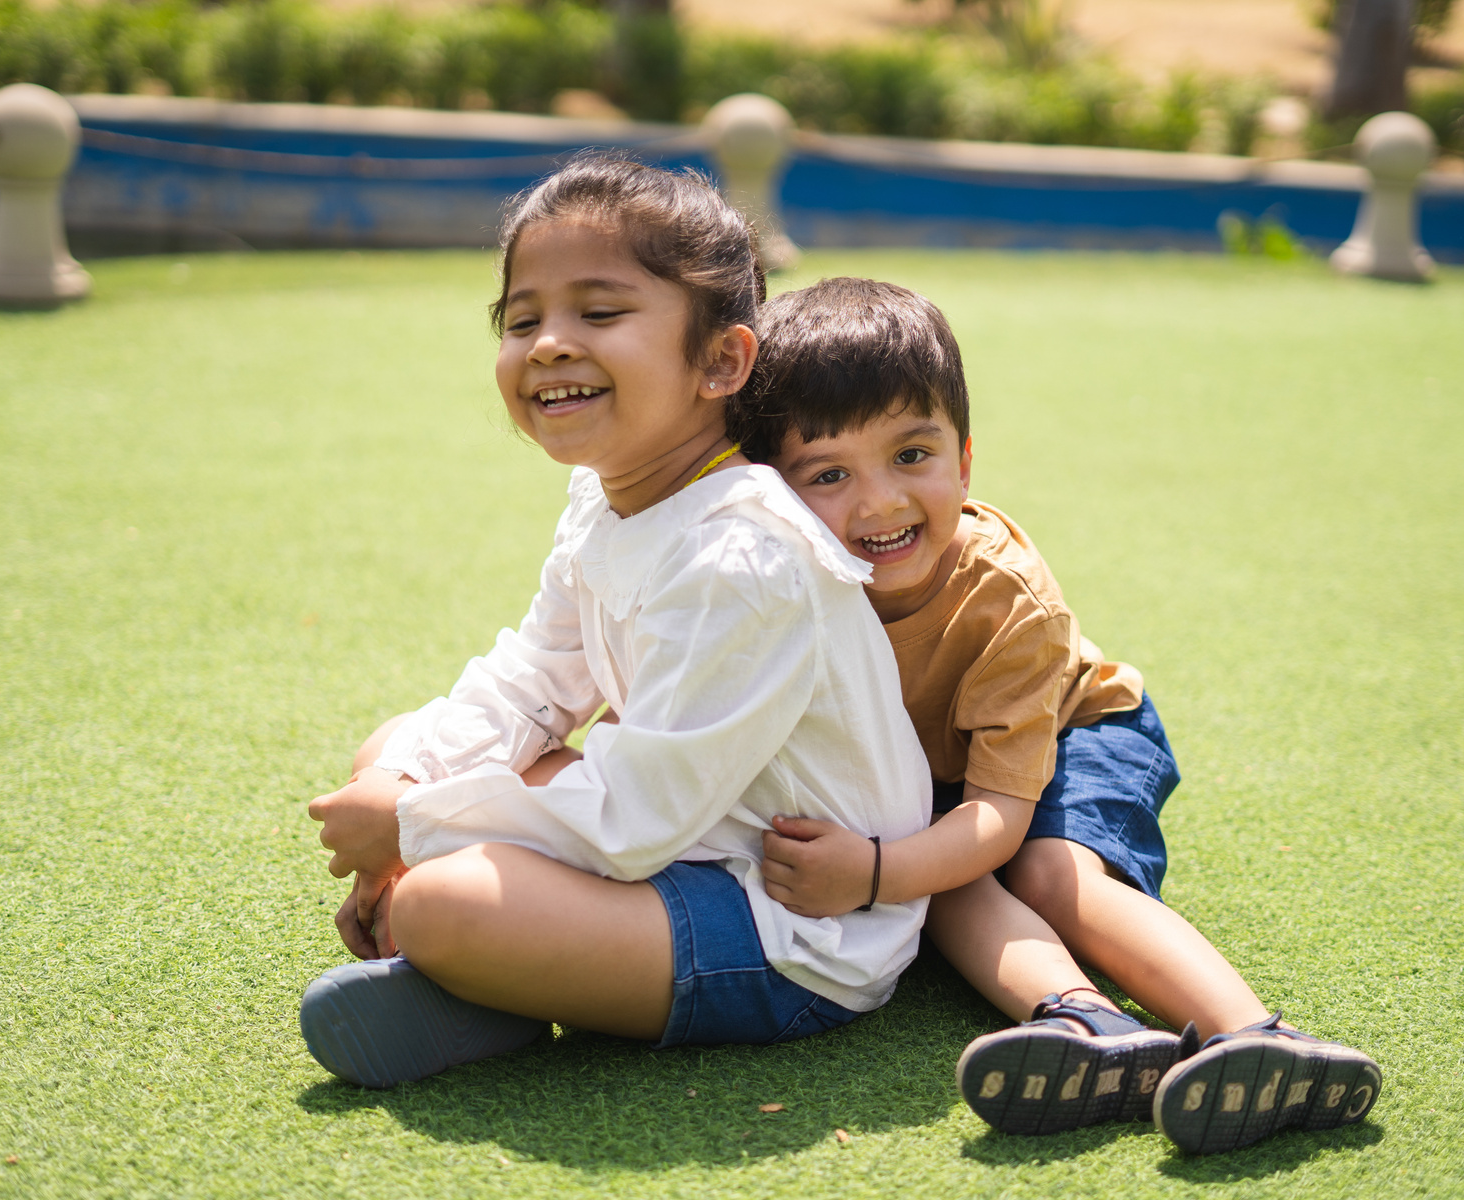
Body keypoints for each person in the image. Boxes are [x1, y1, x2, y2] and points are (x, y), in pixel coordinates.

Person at [299, 164, 933, 1090]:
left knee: (440, 901)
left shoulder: (742, 558)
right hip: (687, 833)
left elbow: (634, 821)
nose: (551, 344)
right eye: (523, 321)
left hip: (787, 923)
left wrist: (410, 829)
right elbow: (537, 678)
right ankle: (495, 984)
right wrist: (406, 787)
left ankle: (472, 964)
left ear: (720, 362)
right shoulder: (605, 497)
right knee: (397, 745)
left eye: (598, 314)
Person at [733, 277, 1381, 1155]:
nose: (880, 502)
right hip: (941, 776)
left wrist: (876, 873)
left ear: (964, 460)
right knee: (946, 878)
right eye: (831, 474)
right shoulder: (769, 580)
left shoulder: (1005, 598)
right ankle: (1094, 1031)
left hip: (1083, 732)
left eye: (912, 456)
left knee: (1046, 874)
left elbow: (996, 819)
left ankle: (1255, 1035)